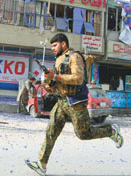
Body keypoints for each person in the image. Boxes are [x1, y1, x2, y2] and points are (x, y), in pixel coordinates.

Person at [25, 33, 123, 175]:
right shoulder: (58, 60)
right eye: (51, 46)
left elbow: (78, 78)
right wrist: (48, 82)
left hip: (76, 102)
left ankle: (111, 131)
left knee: (83, 134)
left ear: (63, 44)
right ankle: (42, 164)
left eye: (55, 45)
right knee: (51, 131)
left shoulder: (74, 56)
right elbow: (54, 87)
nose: (52, 48)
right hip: (62, 101)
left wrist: (56, 76)